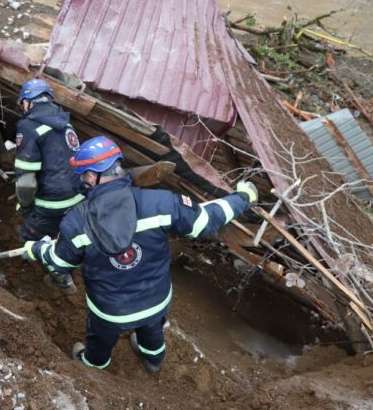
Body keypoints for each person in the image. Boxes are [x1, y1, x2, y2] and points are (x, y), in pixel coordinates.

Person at [23, 136, 257, 373]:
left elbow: (59, 263)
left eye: (83, 175)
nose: (82, 180)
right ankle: (153, 360)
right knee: (152, 330)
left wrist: (38, 249)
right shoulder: (161, 202)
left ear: (93, 177)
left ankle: (93, 366)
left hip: (109, 311)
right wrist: (243, 197)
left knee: (99, 340)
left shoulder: (76, 222)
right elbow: (205, 221)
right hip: (156, 301)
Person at [14, 78, 84, 294]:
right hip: (79, 197)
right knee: (66, 233)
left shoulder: (28, 126)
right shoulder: (65, 123)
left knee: (29, 236)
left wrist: (25, 206)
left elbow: (26, 183)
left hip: (53, 201)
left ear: (27, 102)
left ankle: (62, 280)